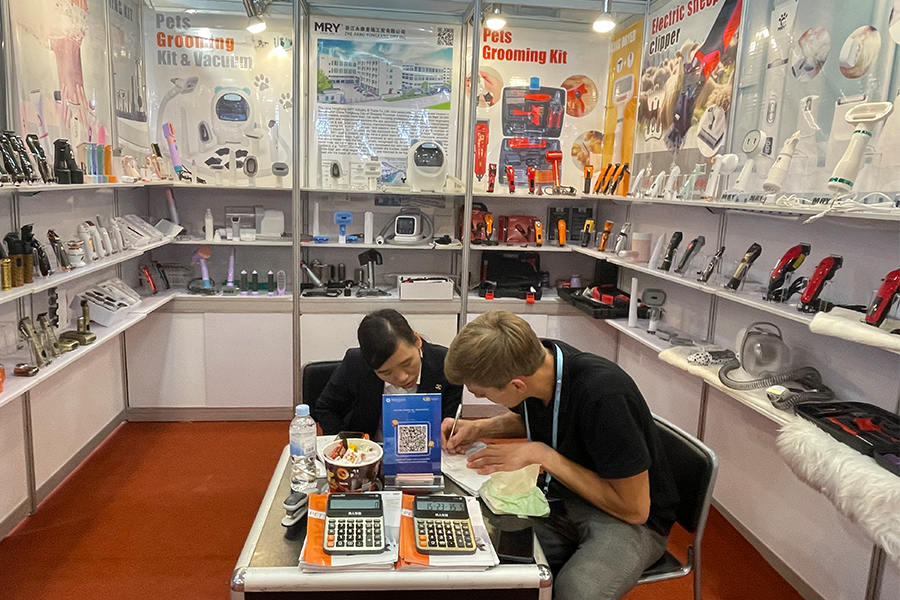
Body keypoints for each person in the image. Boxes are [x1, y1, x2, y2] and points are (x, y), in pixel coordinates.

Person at [441, 311, 678, 600]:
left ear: (517, 385)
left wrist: (544, 455)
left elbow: (634, 509)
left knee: (576, 592)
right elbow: (543, 419)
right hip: (560, 498)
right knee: (487, 552)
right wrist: (479, 428)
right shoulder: (539, 362)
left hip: (628, 520)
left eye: (482, 394)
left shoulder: (605, 396)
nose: (480, 399)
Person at [313, 309, 462, 440]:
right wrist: (348, 445)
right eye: (386, 372)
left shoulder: (446, 364)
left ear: (417, 340)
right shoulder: (356, 363)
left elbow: (450, 422)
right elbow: (326, 408)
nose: (402, 377)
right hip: (371, 452)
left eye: (407, 363)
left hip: (429, 452)